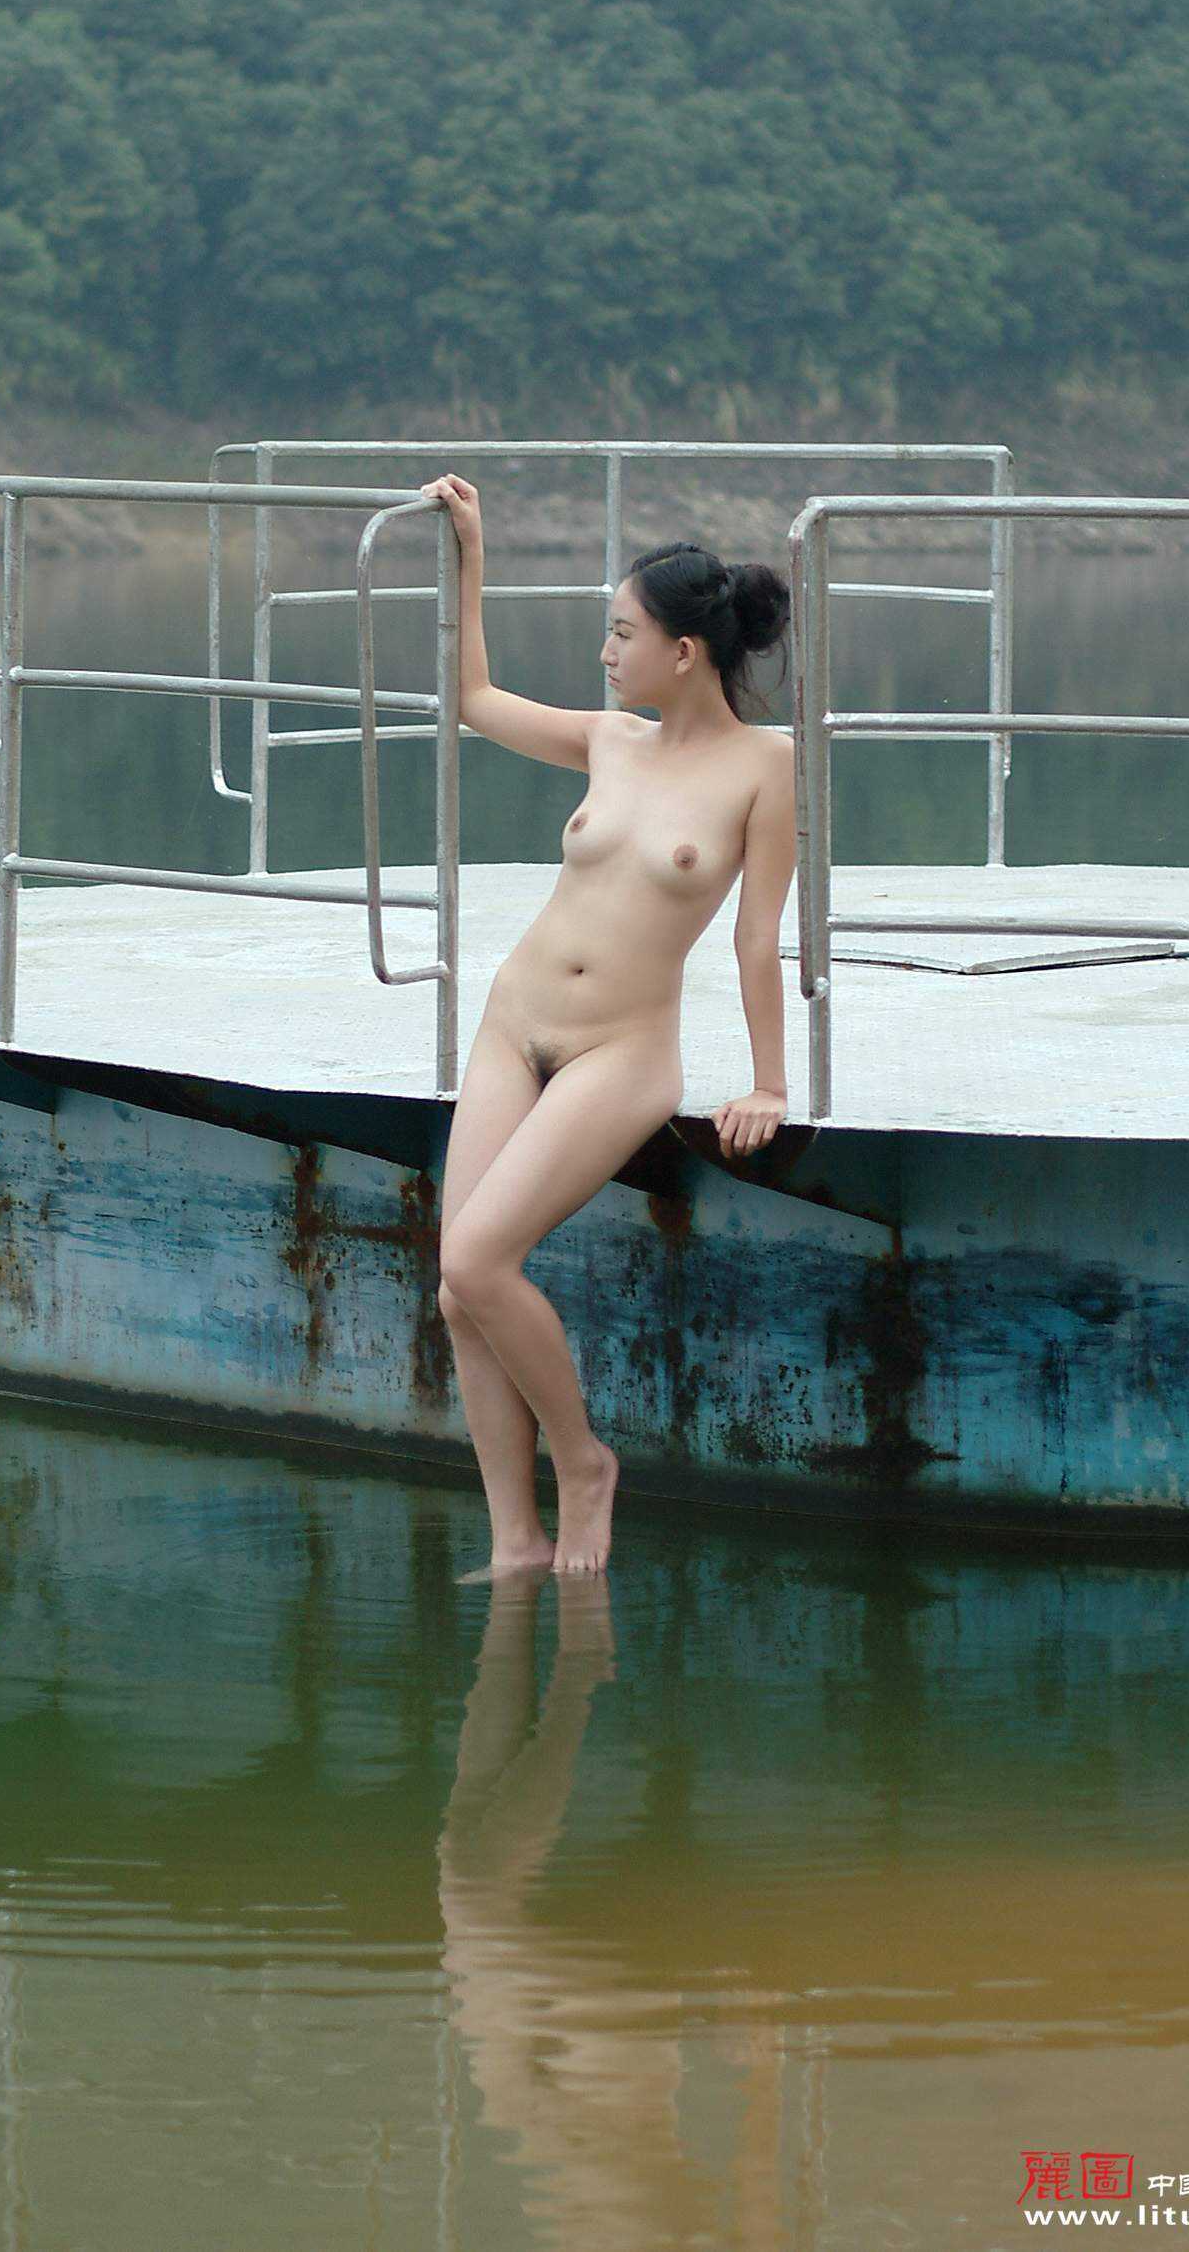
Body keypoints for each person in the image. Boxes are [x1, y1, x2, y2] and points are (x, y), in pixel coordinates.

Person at [419, 473, 799, 1582]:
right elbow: (473, 697)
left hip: (620, 1052)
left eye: (623, 633)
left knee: (480, 1256)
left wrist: (769, 1082)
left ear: (684, 650)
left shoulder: (767, 767)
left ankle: (583, 1463)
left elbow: (757, 938)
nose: (606, 652)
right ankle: (515, 1539)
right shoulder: (609, 738)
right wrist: (471, 553)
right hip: (515, 1023)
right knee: (457, 1288)